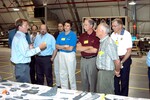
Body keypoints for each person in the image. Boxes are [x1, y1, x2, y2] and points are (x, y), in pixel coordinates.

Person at [10, 18, 46, 83]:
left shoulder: (19, 36)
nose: (28, 27)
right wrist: (39, 48)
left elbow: (22, 50)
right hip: (22, 67)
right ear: (20, 27)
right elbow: (26, 54)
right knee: (24, 86)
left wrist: (29, 47)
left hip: (21, 66)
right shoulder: (21, 38)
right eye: (26, 25)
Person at [95, 22, 121, 94]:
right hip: (102, 72)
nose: (95, 30)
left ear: (102, 31)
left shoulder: (109, 43)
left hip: (106, 73)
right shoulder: (103, 42)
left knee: (107, 94)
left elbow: (117, 61)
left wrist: (117, 71)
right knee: (101, 94)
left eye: (97, 29)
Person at [76, 18, 99, 92]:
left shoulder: (96, 36)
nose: (84, 26)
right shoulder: (82, 36)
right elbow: (78, 48)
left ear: (91, 26)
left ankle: (93, 95)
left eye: (86, 25)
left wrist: (83, 48)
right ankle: (85, 95)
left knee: (92, 80)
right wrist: (89, 47)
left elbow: (95, 50)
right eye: (83, 25)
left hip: (92, 60)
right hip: (83, 60)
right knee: (84, 79)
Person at [111, 18, 132, 96]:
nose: (113, 28)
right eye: (112, 26)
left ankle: (124, 97)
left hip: (125, 59)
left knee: (124, 80)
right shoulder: (113, 35)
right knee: (115, 80)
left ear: (120, 26)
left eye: (114, 26)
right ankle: (116, 96)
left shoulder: (127, 34)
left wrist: (121, 62)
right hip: (116, 59)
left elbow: (129, 51)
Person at [56, 20, 77, 90]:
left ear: (70, 27)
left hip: (70, 55)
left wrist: (61, 47)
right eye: (65, 25)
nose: (66, 27)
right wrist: (65, 46)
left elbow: (70, 48)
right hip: (61, 55)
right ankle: (64, 89)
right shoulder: (60, 34)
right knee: (62, 73)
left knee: (71, 73)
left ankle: (73, 90)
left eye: (68, 26)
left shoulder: (73, 35)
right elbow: (56, 46)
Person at [53, 23, 64, 88]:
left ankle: (63, 84)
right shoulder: (56, 34)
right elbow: (54, 44)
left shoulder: (65, 34)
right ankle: (58, 84)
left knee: (62, 70)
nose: (59, 27)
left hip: (63, 53)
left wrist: (61, 46)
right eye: (58, 26)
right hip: (56, 53)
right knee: (56, 69)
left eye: (61, 26)